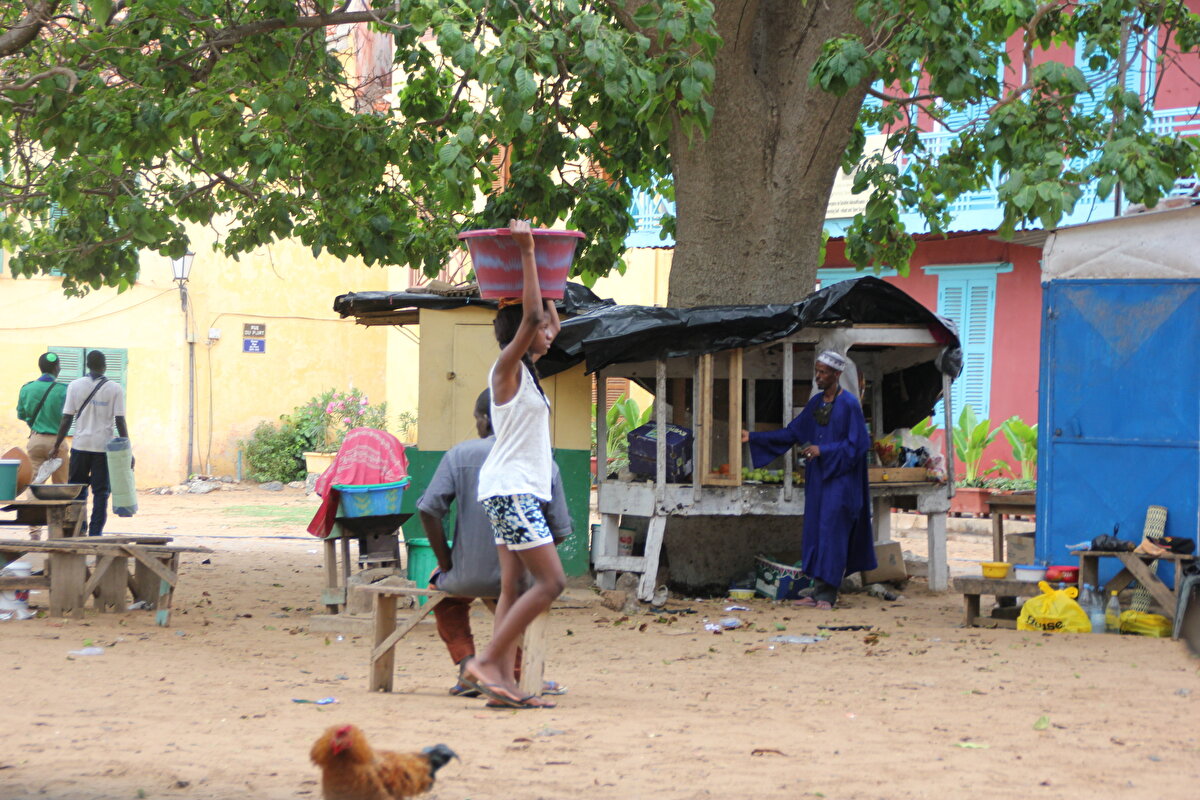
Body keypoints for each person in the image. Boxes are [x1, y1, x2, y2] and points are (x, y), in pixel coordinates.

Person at [456, 218, 566, 710]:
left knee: (512, 586)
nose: (547, 333)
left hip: (510, 490)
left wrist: (551, 307)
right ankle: (485, 662)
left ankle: (500, 680)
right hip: (512, 491)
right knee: (552, 582)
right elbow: (526, 324)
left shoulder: (530, 374)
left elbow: (541, 325)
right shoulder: (506, 369)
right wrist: (526, 253)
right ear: (524, 333)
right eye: (541, 327)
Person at [417, 389, 571, 698]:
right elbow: (560, 529)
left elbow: (428, 509)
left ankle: (468, 664)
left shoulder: (460, 455)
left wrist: (447, 562)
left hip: (467, 575)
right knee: (518, 600)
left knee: (442, 593)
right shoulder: (543, 463)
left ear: (487, 420)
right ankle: (512, 673)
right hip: (522, 578)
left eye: (477, 418)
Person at [741, 350, 875, 609]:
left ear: (837, 374)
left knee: (832, 534)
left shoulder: (849, 405)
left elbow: (858, 445)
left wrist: (823, 450)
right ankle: (816, 590)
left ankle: (828, 594)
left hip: (841, 483)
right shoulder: (815, 404)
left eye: (823, 372)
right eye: (817, 371)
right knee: (816, 532)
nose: (818, 377)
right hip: (819, 480)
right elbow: (793, 432)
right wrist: (754, 438)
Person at [49, 350, 131, 537]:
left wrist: (56, 445)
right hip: (103, 448)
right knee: (101, 493)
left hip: (80, 445)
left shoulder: (75, 386)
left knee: (77, 489)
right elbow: (120, 421)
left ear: (87, 364)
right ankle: (96, 532)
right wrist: (127, 448)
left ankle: (80, 528)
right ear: (104, 366)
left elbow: (66, 419)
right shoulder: (115, 388)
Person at [16, 353, 69, 539]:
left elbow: (22, 414)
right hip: (58, 442)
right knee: (60, 487)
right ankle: (58, 534)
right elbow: (68, 417)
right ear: (56, 369)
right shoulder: (63, 390)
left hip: (36, 441)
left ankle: (34, 533)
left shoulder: (27, 388)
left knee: (34, 485)